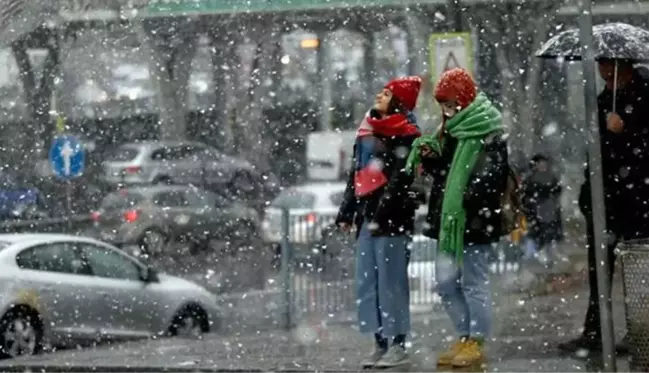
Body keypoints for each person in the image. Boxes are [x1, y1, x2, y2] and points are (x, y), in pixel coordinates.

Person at [405, 68, 509, 368]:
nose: (446, 110)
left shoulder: (487, 128)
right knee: (446, 282)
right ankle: (464, 336)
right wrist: (431, 158)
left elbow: (493, 177)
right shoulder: (451, 130)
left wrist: (467, 197)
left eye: (450, 103)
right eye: (443, 104)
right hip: (450, 221)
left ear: (463, 99)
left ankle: (476, 340)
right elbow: (444, 174)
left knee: (474, 282)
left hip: (475, 221)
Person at [559, 60, 649, 353]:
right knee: (600, 266)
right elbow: (596, 152)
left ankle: (640, 331)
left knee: (638, 269)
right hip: (606, 199)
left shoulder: (643, 96)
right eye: (602, 68)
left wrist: (626, 130)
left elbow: (636, 151)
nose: (605, 74)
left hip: (638, 198)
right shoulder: (603, 100)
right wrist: (588, 195)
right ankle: (596, 330)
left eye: (611, 69)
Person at [335, 76, 422, 368]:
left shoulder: (407, 134)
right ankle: (379, 341)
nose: (379, 96)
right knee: (366, 282)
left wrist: (382, 209)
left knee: (392, 282)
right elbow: (355, 175)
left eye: (386, 94)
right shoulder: (366, 131)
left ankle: (398, 343)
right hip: (367, 219)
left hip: (393, 220)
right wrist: (347, 211)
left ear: (398, 102)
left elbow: (401, 179)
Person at [521, 154, 564, 265]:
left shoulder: (551, 178)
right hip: (538, 212)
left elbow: (556, 191)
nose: (542, 166)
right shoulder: (531, 180)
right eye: (540, 164)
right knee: (538, 237)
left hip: (548, 212)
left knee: (548, 236)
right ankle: (538, 256)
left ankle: (547, 257)